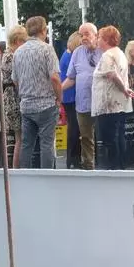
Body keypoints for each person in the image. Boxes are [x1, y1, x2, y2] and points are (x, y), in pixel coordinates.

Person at [12, 15, 62, 170]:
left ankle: (25, 176)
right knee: (47, 143)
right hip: (46, 103)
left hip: (26, 105)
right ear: (44, 30)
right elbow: (54, 77)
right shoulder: (47, 49)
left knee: (27, 144)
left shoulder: (18, 52)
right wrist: (59, 98)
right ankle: (47, 177)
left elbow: (15, 80)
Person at [92, 26, 134, 170]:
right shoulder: (120, 53)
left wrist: (124, 89)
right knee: (119, 135)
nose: (97, 40)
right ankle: (121, 166)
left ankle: (114, 168)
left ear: (105, 39)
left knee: (110, 139)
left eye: (99, 37)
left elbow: (112, 74)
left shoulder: (107, 55)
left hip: (109, 104)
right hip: (120, 103)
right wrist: (125, 89)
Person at [63, 23, 101, 169]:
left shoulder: (103, 50)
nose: (83, 37)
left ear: (95, 35)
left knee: (102, 137)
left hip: (102, 103)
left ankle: (105, 166)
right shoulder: (77, 52)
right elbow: (71, 78)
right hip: (83, 102)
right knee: (86, 137)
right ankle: (88, 166)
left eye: (87, 34)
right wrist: (58, 90)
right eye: (81, 35)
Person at [0, 26, 27, 168]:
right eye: (24, 41)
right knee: (20, 138)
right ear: (17, 41)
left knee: (18, 138)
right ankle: (17, 169)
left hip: (9, 98)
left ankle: (16, 169)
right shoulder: (13, 56)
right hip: (15, 98)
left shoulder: (6, 55)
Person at [59, 32, 82, 168]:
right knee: (74, 128)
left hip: (67, 95)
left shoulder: (65, 55)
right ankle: (73, 158)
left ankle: (72, 159)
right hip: (70, 95)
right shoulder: (70, 57)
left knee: (73, 127)